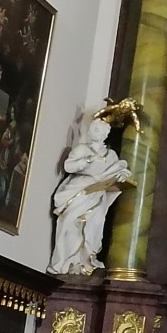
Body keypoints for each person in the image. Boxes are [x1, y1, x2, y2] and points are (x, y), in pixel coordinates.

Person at [49, 116, 133, 275]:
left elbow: (119, 170)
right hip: (79, 189)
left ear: (105, 134)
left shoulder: (111, 155)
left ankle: (86, 260)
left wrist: (122, 175)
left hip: (98, 193)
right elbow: (68, 166)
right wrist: (86, 161)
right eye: (92, 129)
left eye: (97, 129)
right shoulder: (82, 149)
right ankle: (67, 261)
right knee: (69, 221)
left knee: (95, 223)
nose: (92, 132)